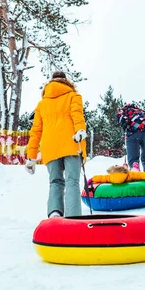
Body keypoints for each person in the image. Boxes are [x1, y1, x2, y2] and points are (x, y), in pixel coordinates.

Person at [25, 71, 87, 218]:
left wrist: (31, 157)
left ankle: (54, 214)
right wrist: (80, 130)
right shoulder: (73, 96)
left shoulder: (42, 104)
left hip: (50, 148)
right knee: (72, 181)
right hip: (71, 143)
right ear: (66, 82)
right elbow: (77, 115)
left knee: (55, 182)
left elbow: (36, 131)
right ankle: (73, 218)